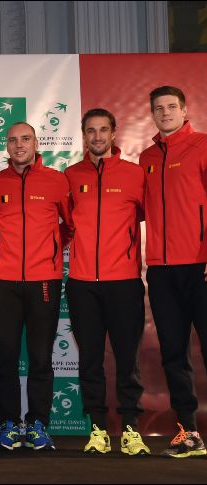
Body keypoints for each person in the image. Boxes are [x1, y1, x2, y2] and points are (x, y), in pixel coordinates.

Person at [65, 108, 149, 455]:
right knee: (90, 360)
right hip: (83, 282)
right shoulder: (69, 176)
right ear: (83, 135)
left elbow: (146, 216)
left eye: (103, 130)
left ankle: (131, 429)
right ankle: (97, 429)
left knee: (128, 359)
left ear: (114, 134)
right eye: (90, 131)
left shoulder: (135, 174)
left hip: (124, 281)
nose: (97, 137)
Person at [0, 122, 72, 451]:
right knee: (5, 358)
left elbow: (70, 224)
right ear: (6, 146)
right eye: (12, 140)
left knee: (40, 357)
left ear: (36, 142)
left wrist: (49, 248)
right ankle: (10, 423)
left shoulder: (56, 181)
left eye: (25, 139)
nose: (19, 145)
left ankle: (37, 423)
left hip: (44, 281)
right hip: (6, 282)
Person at [140, 86, 207, 458]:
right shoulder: (146, 157)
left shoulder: (202, 145)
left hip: (200, 266)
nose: (164, 113)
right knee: (173, 355)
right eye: (158, 108)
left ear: (184, 110)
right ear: (152, 114)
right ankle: (189, 432)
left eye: (171, 107)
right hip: (162, 271)